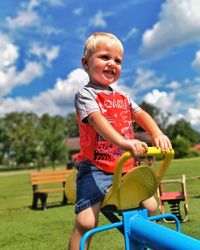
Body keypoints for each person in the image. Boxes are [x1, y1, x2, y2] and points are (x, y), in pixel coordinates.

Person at [68, 32, 172, 250]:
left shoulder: (123, 96)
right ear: (86, 63)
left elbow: (141, 114)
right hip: (95, 168)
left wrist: (157, 134)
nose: (111, 64)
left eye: (118, 60)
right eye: (105, 57)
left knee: (152, 207)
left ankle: (142, 244)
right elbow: (98, 122)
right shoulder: (86, 95)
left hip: (125, 167)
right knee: (86, 222)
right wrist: (124, 143)